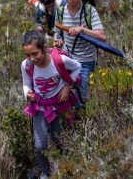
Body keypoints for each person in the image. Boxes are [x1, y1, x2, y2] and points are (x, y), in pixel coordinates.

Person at [21, 30, 81, 178]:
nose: (32, 58)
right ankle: (44, 173)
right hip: (39, 108)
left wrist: (67, 85)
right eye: (28, 55)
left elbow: (78, 67)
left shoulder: (59, 60)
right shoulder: (26, 65)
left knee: (59, 140)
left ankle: (60, 170)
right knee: (40, 145)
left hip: (59, 107)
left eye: (35, 53)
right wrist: (27, 93)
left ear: (43, 48)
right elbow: (26, 83)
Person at [54, 0, 106, 106]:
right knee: (61, 91)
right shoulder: (60, 11)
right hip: (67, 58)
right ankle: (68, 119)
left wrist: (83, 30)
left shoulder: (89, 11)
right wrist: (58, 40)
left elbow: (102, 36)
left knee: (82, 95)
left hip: (86, 60)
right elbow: (57, 32)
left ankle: (82, 120)